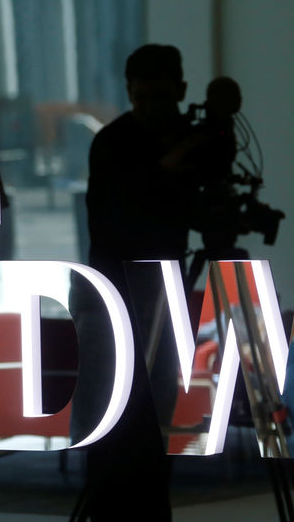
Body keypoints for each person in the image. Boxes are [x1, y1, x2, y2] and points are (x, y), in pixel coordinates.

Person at [70, 44, 203, 521]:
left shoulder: (181, 142)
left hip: (151, 294)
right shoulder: (112, 145)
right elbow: (112, 225)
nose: (150, 108)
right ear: (129, 92)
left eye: (159, 97)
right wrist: (166, 171)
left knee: (153, 419)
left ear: (180, 92)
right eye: (142, 97)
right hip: (114, 296)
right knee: (111, 426)